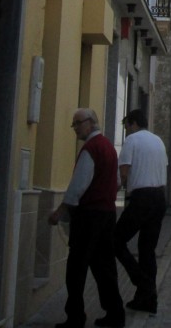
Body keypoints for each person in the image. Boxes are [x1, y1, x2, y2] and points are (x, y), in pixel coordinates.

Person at [48, 108, 125, 328]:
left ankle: (75, 317)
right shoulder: (109, 147)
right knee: (105, 267)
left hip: (89, 216)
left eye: (78, 123)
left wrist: (59, 212)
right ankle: (115, 313)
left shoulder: (91, 149)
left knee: (76, 268)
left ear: (91, 123)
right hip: (107, 215)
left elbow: (77, 187)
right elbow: (118, 181)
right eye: (74, 124)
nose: (75, 128)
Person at [114, 109, 168, 315]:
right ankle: (148, 300)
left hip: (142, 199)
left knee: (116, 241)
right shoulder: (158, 141)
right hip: (159, 198)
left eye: (126, 125)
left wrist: (116, 189)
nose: (126, 130)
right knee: (147, 250)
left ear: (133, 123)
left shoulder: (132, 141)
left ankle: (142, 283)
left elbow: (124, 173)